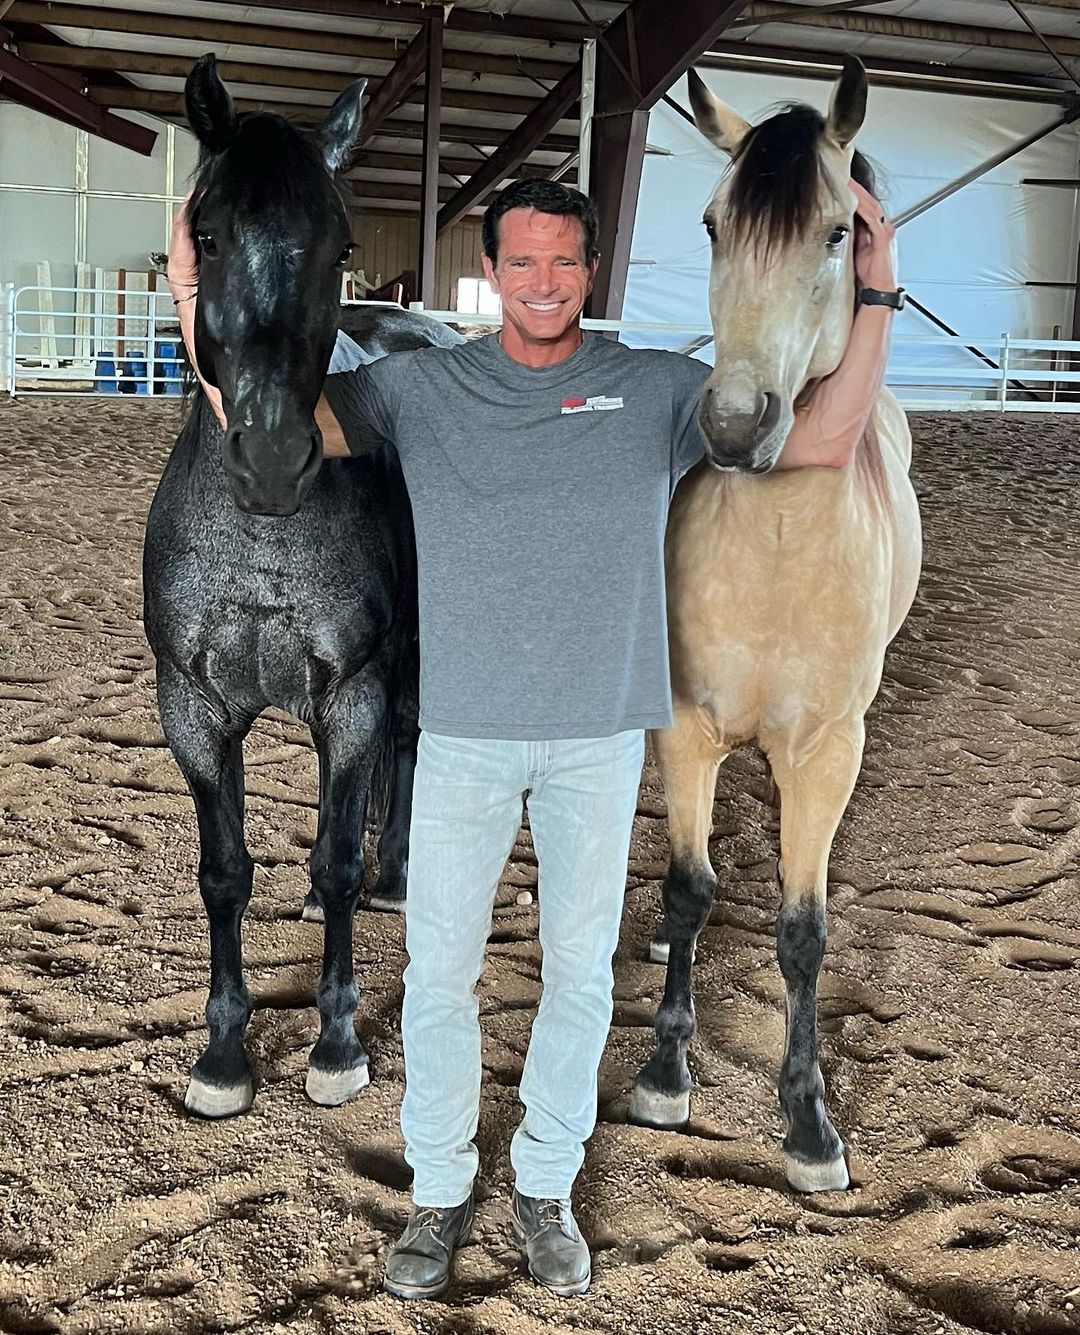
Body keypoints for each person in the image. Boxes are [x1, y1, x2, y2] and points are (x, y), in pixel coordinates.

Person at [168, 176, 900, 1301]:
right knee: (439, 977)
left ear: (590, 272)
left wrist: (878, 293)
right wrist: (189, 293)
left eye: (564, 261)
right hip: (462, 739)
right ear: (493, 271)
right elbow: (262, 424)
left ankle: (546, 1187)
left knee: (577, 980)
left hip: (597, 743)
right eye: (523, 261)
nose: (544, 282)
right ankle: (438, 1191)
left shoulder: (656, 391)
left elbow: (825, 439)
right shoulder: (420, 390)